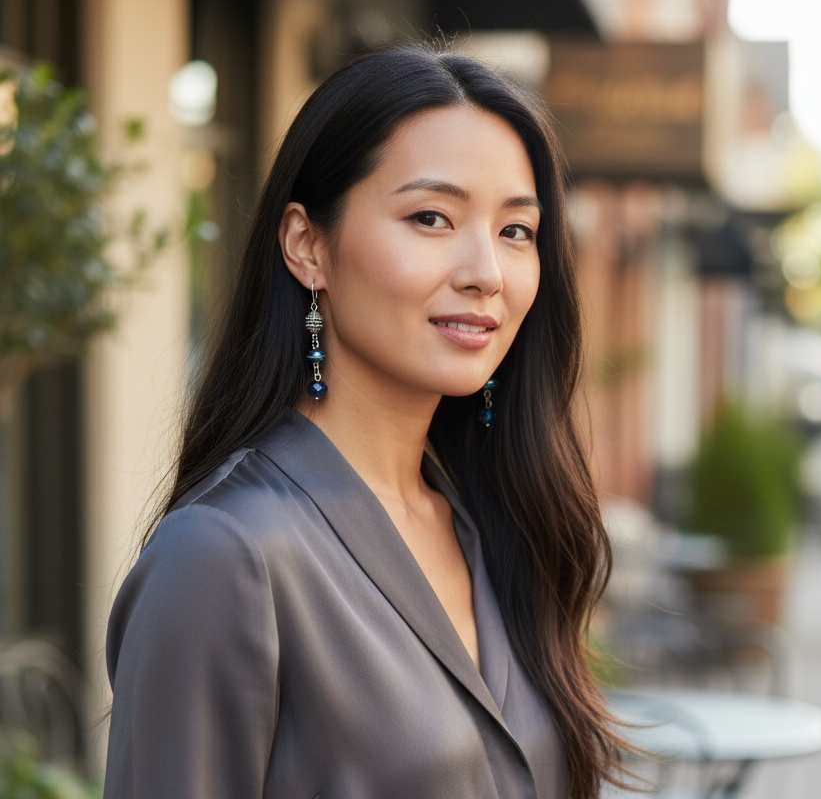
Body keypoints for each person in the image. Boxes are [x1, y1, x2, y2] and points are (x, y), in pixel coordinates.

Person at [103, 44, 625, 799]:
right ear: (308, 245)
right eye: (432, 217)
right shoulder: (225, 555)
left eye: (517, 230)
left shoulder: (491, 525)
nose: (486, 272)